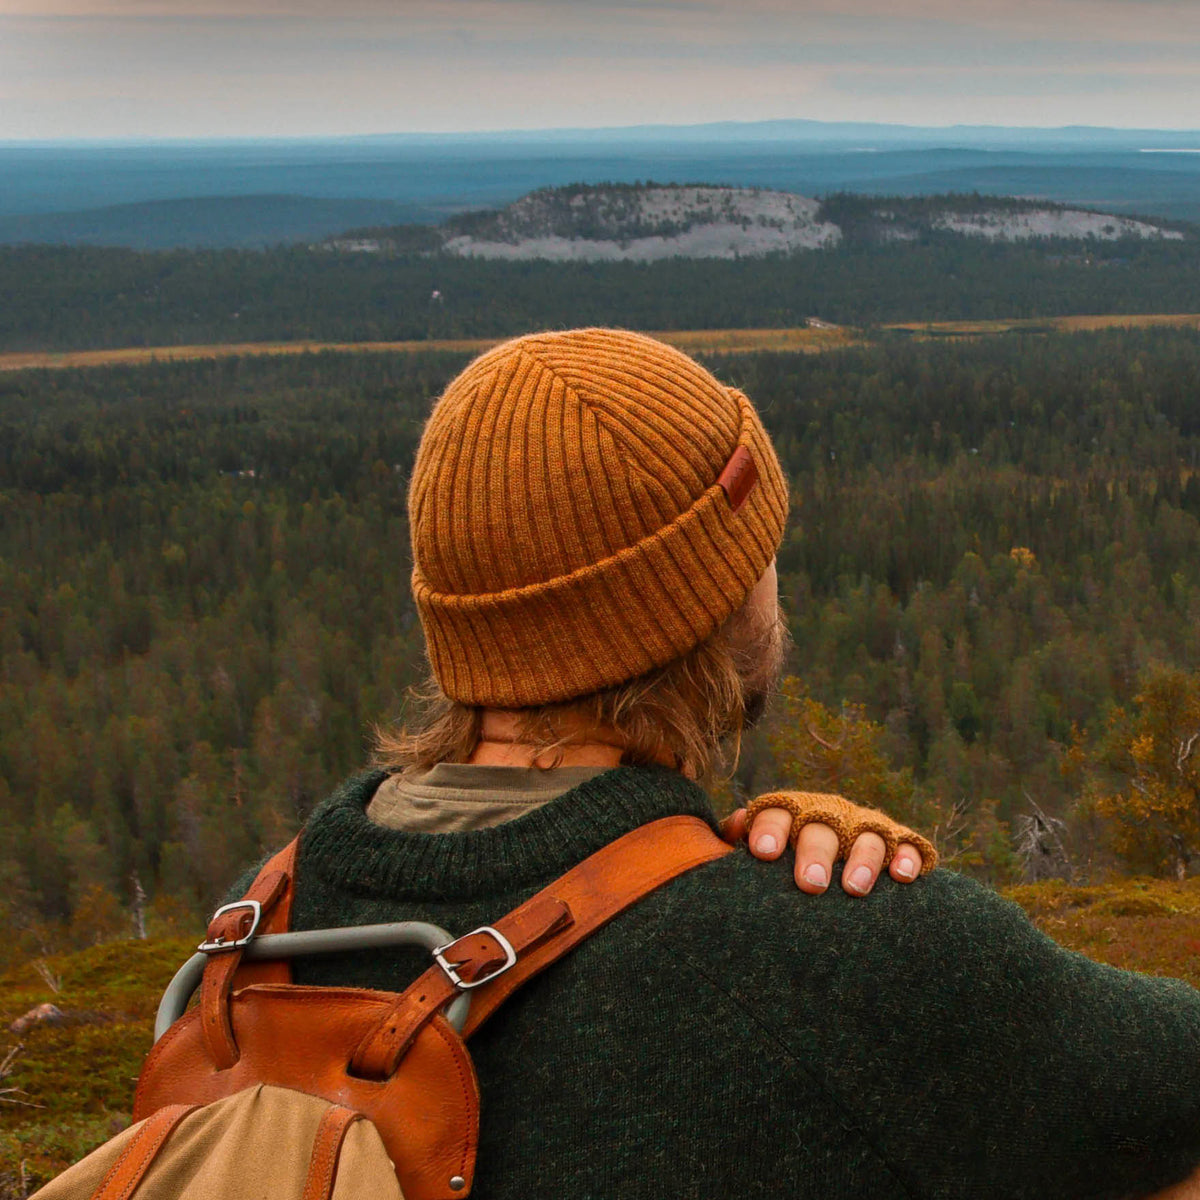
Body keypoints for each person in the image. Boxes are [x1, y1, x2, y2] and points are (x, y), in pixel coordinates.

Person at [244, 329, 1200, 1199]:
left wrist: (710, 858)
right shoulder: (847, 955)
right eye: (760, 551)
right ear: (711, 602)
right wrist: (841, 915)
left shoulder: (262, 931)